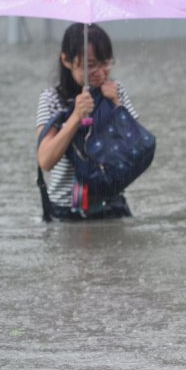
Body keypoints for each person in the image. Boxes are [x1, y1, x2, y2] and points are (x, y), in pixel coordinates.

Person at [35, 23, 139, 221]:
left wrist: (117, 105)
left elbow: (135, 148)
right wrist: (75, 117)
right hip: (66, 211)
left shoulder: (117, 92)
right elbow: (45, 160)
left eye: (106, 62)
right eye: (90, 65)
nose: (100, 72)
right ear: (66, 60)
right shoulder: (51, 99)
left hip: (111, 204)